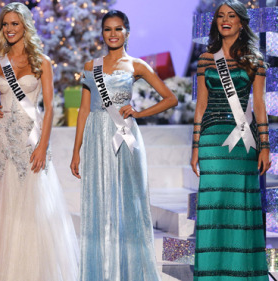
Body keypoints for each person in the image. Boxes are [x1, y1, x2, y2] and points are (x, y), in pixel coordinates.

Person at [70, 10, 178, 281]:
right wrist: (76, 150)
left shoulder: (137, 65)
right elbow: (84, 111)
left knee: (129, 202)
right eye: (108, 29)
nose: (113, 34)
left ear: (127, 32)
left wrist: (139, 113)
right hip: (96, 137)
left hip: (125, 137)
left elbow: (170, 98)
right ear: (102, 33)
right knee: (101, 203)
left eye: (118, 29)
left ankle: (131, 273)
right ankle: (104, 272)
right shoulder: (89, 66)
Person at [0, 2, 78, 281]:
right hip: (3, 144)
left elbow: (50, 106)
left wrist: (43, 145)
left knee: (34, 205)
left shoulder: (41, 62)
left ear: (25, 27)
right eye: (5, 24)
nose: (9, 29)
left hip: (31, 141)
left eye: (15, 24)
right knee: (4, 206)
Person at [190, 1, 271, 280]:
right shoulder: (205, 59)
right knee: (213, 206)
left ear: (241, 22)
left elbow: (259, 106)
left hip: (242, 144)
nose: (225, 20)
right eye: (220, 16)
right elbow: (200, 106)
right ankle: (212, 274)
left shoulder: (255, 60)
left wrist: (265, 146)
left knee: (239, 206)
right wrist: (195, 146)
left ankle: (239, 274)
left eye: (231, 16)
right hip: (212, 143)